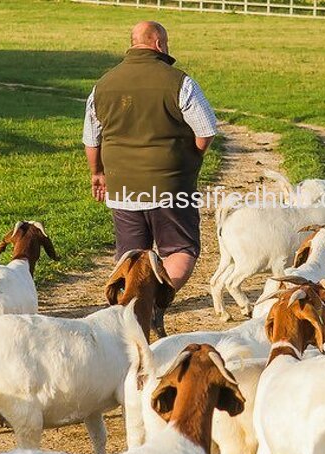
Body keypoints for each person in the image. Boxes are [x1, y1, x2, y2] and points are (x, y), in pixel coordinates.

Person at [82, 21, 217, 337]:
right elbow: (206, 130)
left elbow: (91, 139)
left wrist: (97, 173)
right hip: (171, 186)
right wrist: (191, 158)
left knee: (130, 256)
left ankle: (127, 315)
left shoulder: (103, 85)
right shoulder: (180, 82)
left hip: (122, 187)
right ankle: (153, 304)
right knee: (181, 249)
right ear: (158, 43)